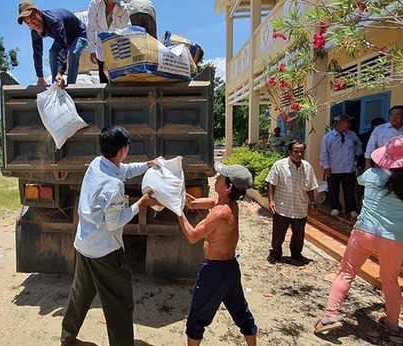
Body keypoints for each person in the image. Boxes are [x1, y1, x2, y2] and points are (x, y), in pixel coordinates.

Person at [314, 135, 403, 334]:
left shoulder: (372, 175)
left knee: (346, 272)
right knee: (390, 279)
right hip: (397, 238)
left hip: (366, 232)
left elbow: (362, 180)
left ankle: (330, 316)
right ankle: (393, 323)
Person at [60, 125, 160, 346]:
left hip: (84, 244)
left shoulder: (98, 164)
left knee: (80, 294)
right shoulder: (113, 186)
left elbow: (123, 169)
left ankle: (67, 338)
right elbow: (115, 221)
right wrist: (140, 204)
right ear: (123, 150)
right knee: (120, 301)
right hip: (105, 252)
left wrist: (147, 165)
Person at [174, 163, 258, 346]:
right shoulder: (230, 204)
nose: (216, 178)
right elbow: (195, 203)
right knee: (240, 312)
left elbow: (193, 236)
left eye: (220, 177)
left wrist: (178, 212)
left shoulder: (220, 213)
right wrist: (181, 197)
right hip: (230, 268)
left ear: (228, 187)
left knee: (197, 318)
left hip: (214, 271)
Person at [265, 140, 319, 265]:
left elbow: (310, 187)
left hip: (300, 206)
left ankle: (296, 254)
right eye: (296, 151)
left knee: (299, 234)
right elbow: (272, 183)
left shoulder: (307, 167)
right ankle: (276, 253)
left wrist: (312, 203)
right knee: (279, 232)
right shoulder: (279, 165)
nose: (299, 154)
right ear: (290, 152)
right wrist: (271, 200)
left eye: (302, 151)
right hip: (282, 205)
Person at [17, 1, 89, 87]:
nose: (33, 24)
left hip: (80, 34)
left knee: (73, 52)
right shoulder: (34, 32)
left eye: (33, 18)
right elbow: (37, 54)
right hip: (64, 37)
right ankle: (55, 85)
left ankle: (70, 85)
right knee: (52, 52)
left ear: (38, 13)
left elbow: (63, 46)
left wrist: (60, 73)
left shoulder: (54, 21)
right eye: (28, 23)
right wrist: (40, 77)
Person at [320, 114, 363, 218]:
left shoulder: (351, 135)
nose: (349, 124)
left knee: (349, 189)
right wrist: (326, 167)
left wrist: (357, 154)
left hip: (349, 168)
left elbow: (359, 145)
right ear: (339, 124)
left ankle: (351, 208)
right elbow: (324, 153)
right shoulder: (328, 137)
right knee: (333, 189)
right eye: (346, 122)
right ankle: (335, 207)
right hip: (334, 168)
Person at [87, 0, 131, 83]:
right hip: (101, 49)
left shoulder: (123, 8)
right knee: (104, 81)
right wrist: (92, 50)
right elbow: (91, 28)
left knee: (118, 81)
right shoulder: (95, 4)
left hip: (118, 50)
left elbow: (127, 31)